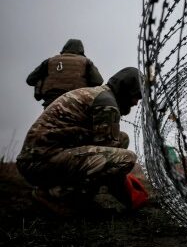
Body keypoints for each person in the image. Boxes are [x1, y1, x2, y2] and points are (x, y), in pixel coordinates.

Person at [16, 67, 144, 214]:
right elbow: (109, 160)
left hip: (40, 158)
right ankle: (56, 196)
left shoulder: (100, 95)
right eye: (136, 96)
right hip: (40, 162)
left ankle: (75, 197)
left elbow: (105, 148)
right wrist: (131, 197)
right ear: (125, 89)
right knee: (127, 158)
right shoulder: (107, 104)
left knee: (122, 139)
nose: (136, 102)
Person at [26, 39, 104, 108]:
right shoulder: (86, 62)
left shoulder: (49, 61)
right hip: (76, 102)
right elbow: (98, 81)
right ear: (81, 50)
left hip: (51, 103)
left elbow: (30, 80)